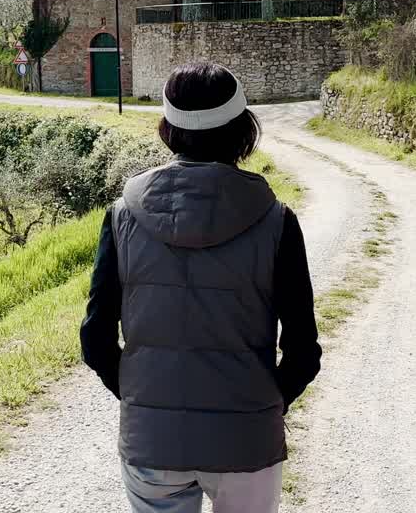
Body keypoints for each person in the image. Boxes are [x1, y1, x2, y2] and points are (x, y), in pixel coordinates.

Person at [80, 62, 322, 513]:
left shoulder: (122, 216)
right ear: (243, 129)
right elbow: (304, 350)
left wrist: (144, 400)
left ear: (168, 128)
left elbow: (95, 340)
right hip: (247, 439)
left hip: (152, 441)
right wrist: (264, 404)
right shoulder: (277, 221)